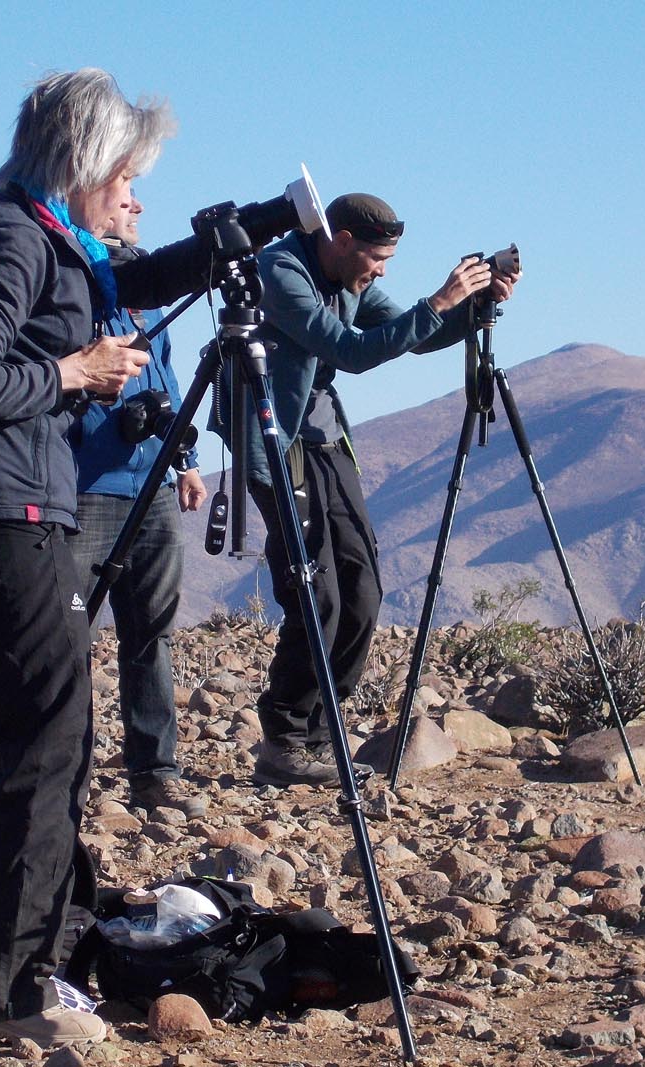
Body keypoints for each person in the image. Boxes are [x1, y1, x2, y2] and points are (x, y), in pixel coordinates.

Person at [0, 68, 205, 1047]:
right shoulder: (9, 237)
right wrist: (79, 370)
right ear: (82, 166)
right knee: (47, 736)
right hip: (4, 511)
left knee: (7, 738)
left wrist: (232, 239)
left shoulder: (37, 237)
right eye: (127, 175)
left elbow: (126, 279)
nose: (135, 195)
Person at [242, 193, 519, 787]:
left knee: (361, 591)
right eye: (375, 257)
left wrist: (473, 307)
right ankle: (287, 740)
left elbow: (411, 335)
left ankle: (322, 732)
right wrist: (437, 301)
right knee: (317, 594)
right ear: (341, 241)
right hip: (276, 439)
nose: (381, 270)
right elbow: (351, 351)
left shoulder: (351, 277)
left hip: (325, 437)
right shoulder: (281, 271)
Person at [69, 197, 208, 818]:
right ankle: (60, 772)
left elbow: (168, 376)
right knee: (66, 635)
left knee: (150, 632)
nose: (139, 207)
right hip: (83, 483)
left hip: (149, 482)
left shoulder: (149, 289)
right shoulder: (71, 280)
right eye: (125, 194)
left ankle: (155, 771)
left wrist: (183, 459)